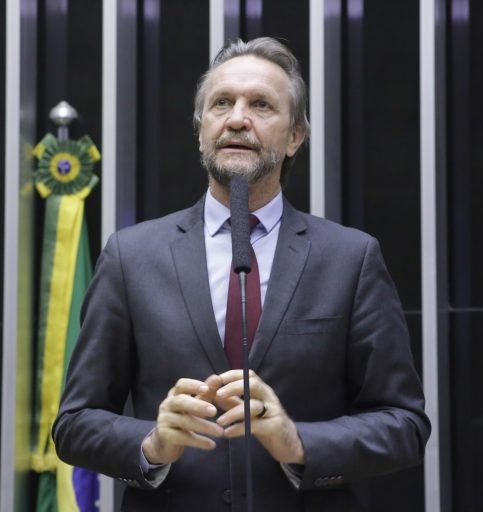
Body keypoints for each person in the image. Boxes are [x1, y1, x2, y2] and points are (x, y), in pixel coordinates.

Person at [53, 37, 429, 511]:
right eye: (222, 103)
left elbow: (405, 425)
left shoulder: (350, 259)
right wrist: (151, 442)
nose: (236, 118)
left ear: (295, 136)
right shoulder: (132, 256)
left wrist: (298, 442)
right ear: (200, 128)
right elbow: (74, 424)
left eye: (261, 105)